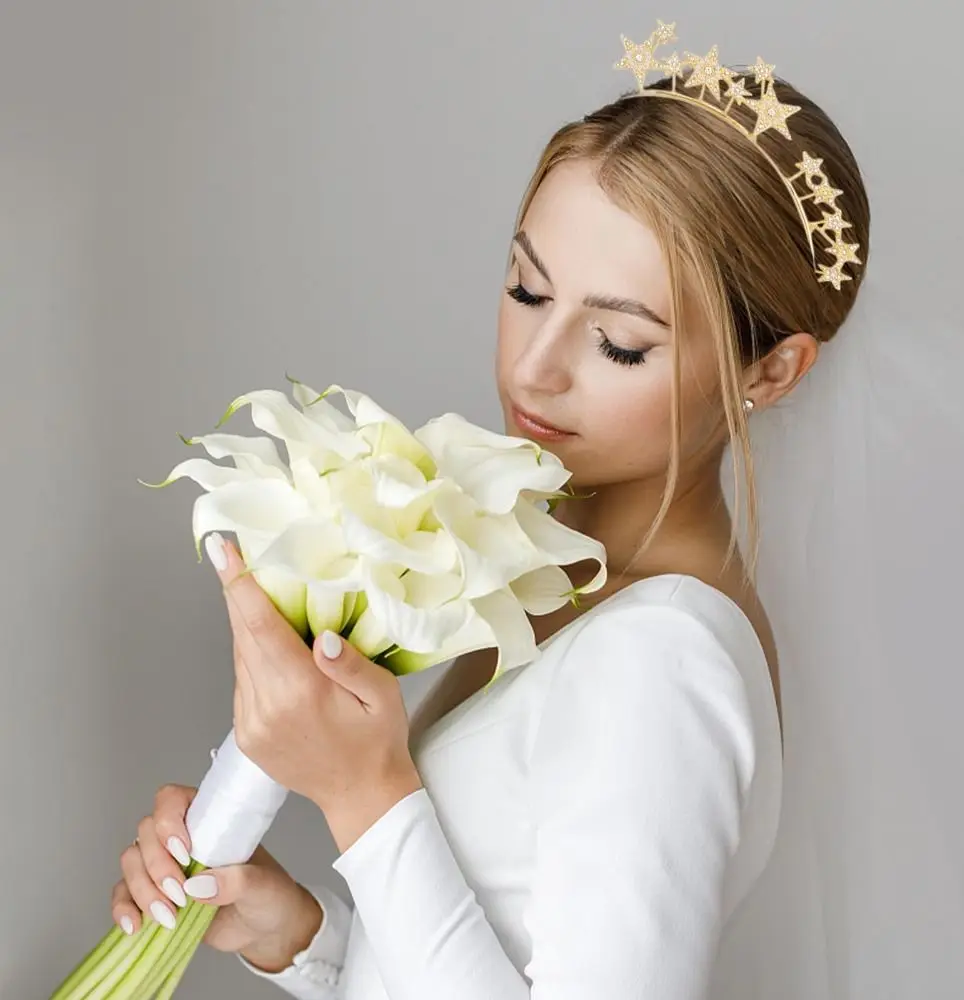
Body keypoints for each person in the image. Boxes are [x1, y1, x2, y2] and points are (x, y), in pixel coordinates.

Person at [109, 30, 878, 1000]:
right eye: (526, 288)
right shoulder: (569, 584)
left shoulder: (663, 661)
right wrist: (298, 934)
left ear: (771, 368)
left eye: (618, 341)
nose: (533, 366)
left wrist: (361, 789)